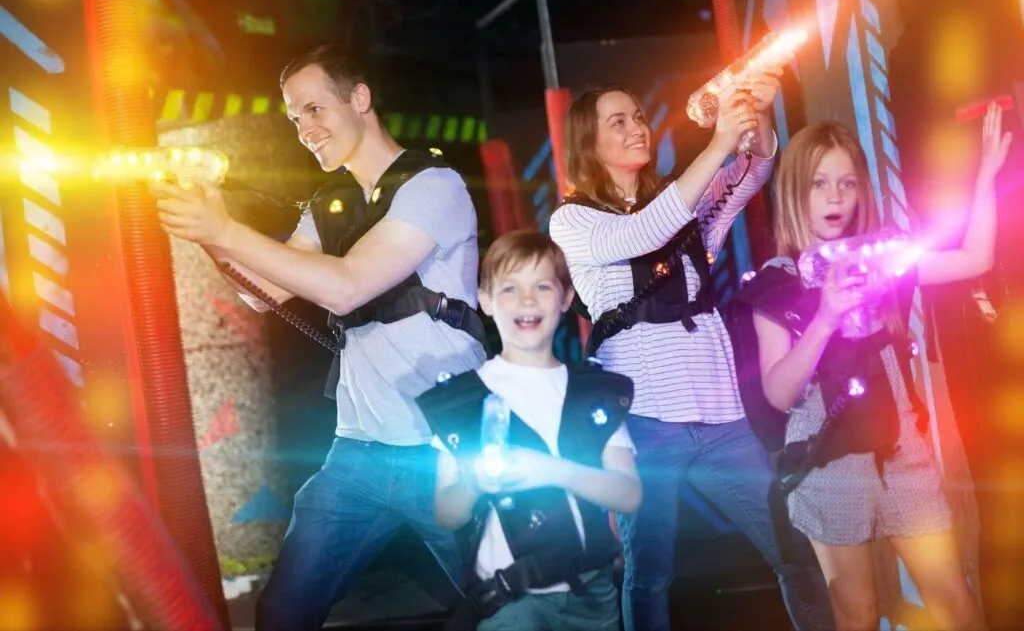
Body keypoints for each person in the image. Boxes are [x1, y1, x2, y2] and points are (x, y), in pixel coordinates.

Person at [152, 44, 489, 630]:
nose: (305, 128)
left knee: (503, 601)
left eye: (314, 109)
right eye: (294, 117)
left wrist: (227, 229)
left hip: (445, 448)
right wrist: (211, 231)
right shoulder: (329, 205)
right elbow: (256, 291)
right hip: (356, 451)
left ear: (359, 99)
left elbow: (348, 286)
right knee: (283, 612)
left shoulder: (434, 186)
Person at [549, 79, 834, 631]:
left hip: (723, 420)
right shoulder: (574, 221)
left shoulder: (685, 203)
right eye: (619, 122)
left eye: (638, 116)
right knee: (649, 573)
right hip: (645, 425)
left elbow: (752, 170)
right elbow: (640, 233)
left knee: (792, 549)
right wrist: (716, 144)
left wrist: (757, 113)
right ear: (589, 142)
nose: (637, 127)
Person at [733, 106, 1009, 630]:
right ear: (794, 192)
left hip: (902, 450)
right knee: (857, 612)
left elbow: (974, 259)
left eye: (846, 183)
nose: (836, 197)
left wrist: (986, 179)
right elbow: (778, 393)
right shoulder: (777, 283)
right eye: (819, 184)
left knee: (955, 600)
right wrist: (825, 317)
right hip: (826, 462)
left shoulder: (880, 258)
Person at [416, 230, 642, 631]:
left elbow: (628, 494)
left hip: (595, 597)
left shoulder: (595, 393)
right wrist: (475, 482)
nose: (527, 300)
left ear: (566, 298)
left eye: (542, 286)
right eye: (510, 288)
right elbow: (447, 513)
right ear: (484, 301)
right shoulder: (460, 402)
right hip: (511, 603)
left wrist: (551, 470)